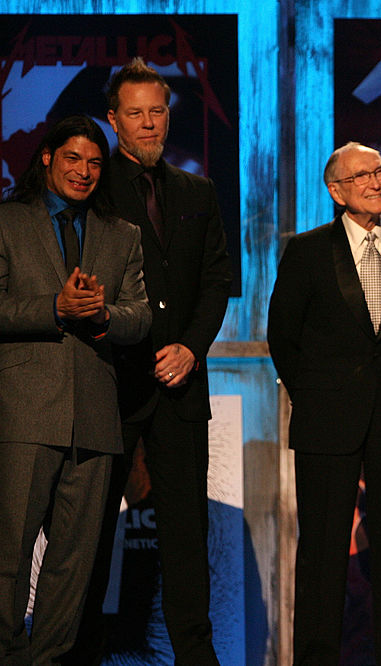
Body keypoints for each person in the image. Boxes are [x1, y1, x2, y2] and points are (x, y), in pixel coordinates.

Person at [71, 57, 232, 665]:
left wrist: (191, 347)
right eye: (134, 113)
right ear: (113, 120)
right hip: (110, 381)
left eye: (157, 112)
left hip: (183, 383)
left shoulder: (198, 190)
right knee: (91, 531)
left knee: (186, 535)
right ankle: (80, 652)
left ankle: (196, 656)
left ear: (169, 116)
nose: (147, 124)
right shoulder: (92, 186)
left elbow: (217, 280)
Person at [267, 142, 381, 664]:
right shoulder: (307, 250)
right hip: (326, 420)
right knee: (321, 552)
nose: (376, 181)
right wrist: (317, 396)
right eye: (362, 175)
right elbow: (282, 337)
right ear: (336, 191)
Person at [0, 115, 150, 664]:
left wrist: (104, 314)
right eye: (72, 159)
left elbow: (139, 316)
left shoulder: (121, 234)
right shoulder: (8, 223)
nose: (84, 172)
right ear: (46, 157)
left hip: (94, 422)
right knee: (8, 561)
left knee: (73, 568)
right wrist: (54, 309)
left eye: (93, 163)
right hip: (22, 417)